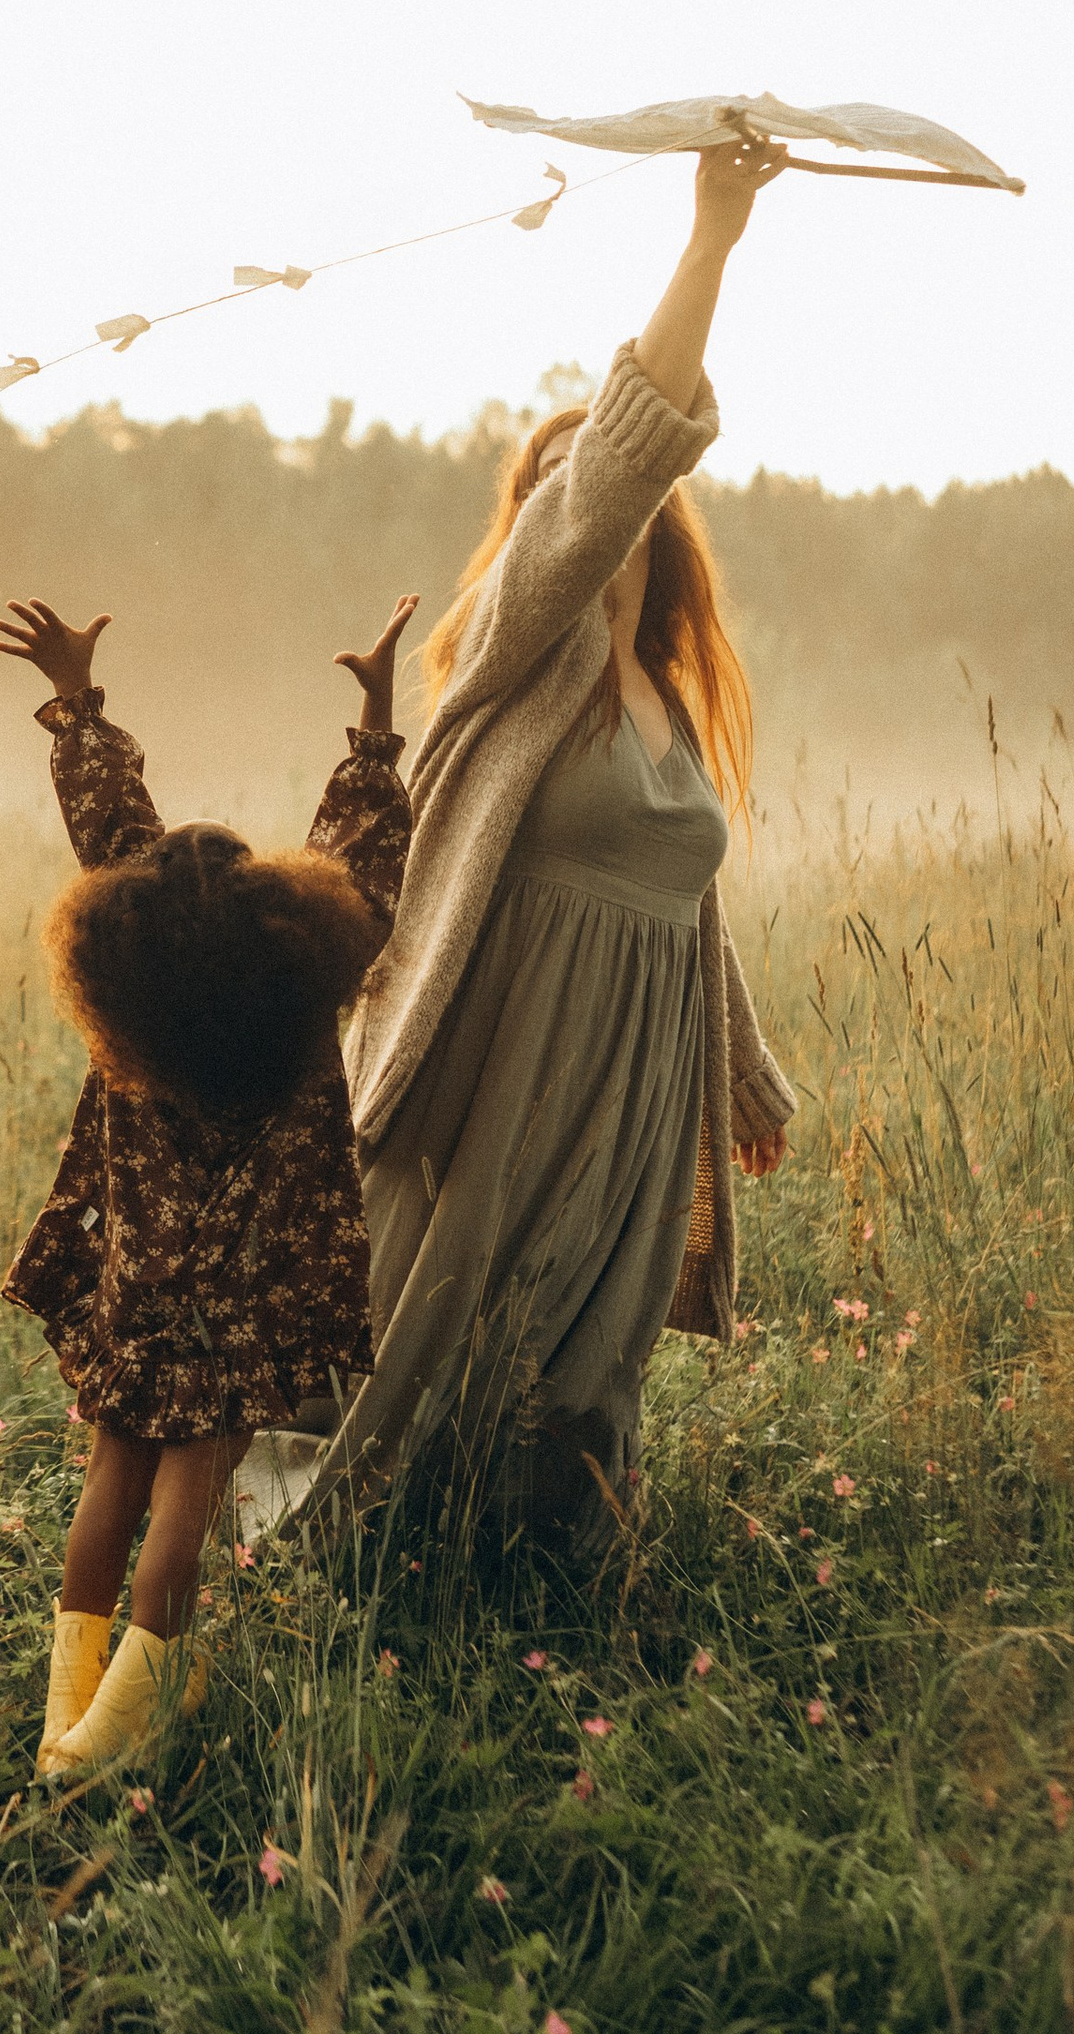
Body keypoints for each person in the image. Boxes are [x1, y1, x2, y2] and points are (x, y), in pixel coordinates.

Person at [301, 138, 800, 1557]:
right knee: (447, 1304)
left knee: (598, 1333)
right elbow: (625, 447)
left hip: (634, 1063)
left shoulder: (662, 696)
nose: (582, 487)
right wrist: (712, 237)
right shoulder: (524, 645)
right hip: (508, 1041)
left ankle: (550, 1581)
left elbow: (685, 900)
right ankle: (368, 1563)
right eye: (561, 479)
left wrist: (743, 1074)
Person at [0, 589, 416, 1774]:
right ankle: (112, 1744)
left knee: (109, 1489)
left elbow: (112, 832)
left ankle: (59, 1721)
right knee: (185, 1510)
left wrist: (76, 703)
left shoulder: (135, 1024)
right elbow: (361, 859)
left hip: (136, 1296)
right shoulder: (293, 1001)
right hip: (237, 1312)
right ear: (280, 919)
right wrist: (374, 728)